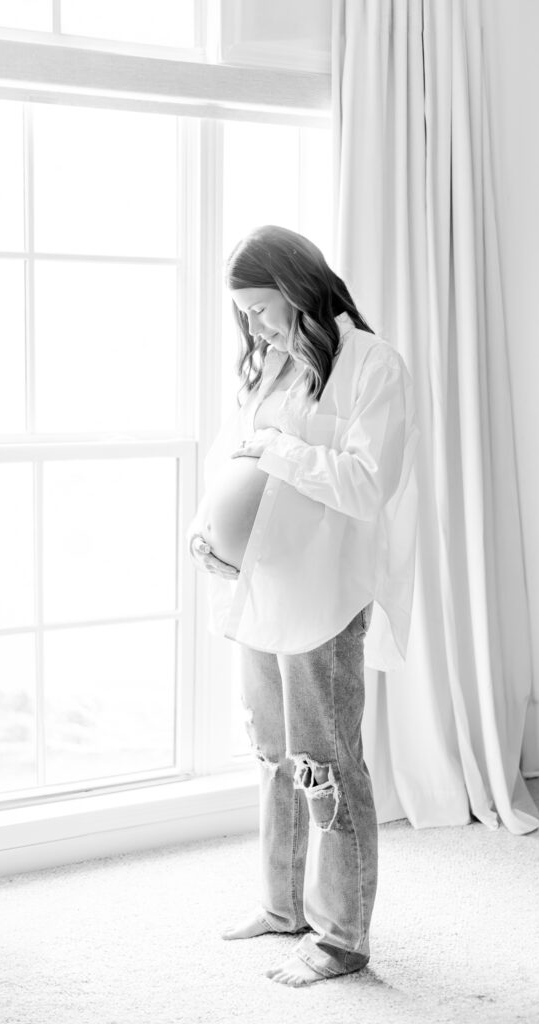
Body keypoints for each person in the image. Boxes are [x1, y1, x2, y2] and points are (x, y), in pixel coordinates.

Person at [186, 225, 420, 987]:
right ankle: (281, 904)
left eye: (259, 310)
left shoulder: (372, 367)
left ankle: (341, 935)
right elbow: (232, 448)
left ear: (296, 289)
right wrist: (205, 525)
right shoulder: (267, 363)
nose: (251, 328)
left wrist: (274, 451)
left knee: (326, 761)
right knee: (271, 752)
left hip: (321, 592)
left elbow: (363, 483)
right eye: (243, 316)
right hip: (257, 584)